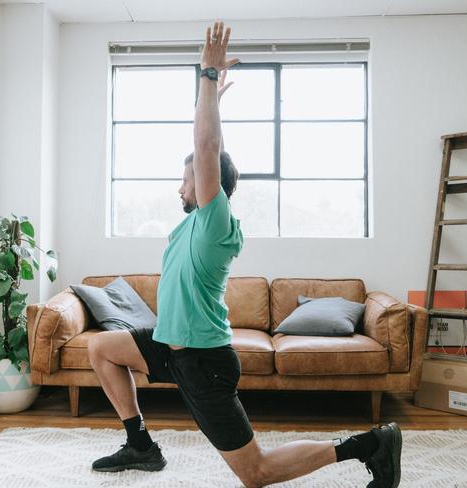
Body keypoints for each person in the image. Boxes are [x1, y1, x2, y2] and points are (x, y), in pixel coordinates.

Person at [87, 21, 402, 488]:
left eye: (187, 178)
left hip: (203, 362)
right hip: (171, 345)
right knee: (101, 347)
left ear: (212, 185)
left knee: (256, 471)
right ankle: (140, 444)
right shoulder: (193, 221)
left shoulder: (216, 222)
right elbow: (203, 144)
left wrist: (208, 78)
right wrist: (210, 104)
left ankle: (368, 446)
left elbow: (207, 146)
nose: (180, 185)